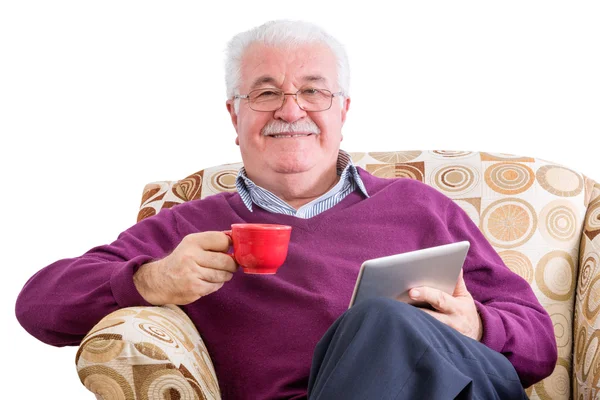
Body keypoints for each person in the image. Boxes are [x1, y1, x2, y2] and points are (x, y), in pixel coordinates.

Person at [16, 20, 557, 399]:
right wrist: (152, 282)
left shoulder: (421, 207)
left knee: (381, 322)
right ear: (234, 114)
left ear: (343, 111)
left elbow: (539, 347)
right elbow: (38, 304)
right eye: (266, 92)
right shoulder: (187, 228)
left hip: (454, 389)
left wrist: (477, 324)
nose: (291, 109)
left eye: (313, 91)